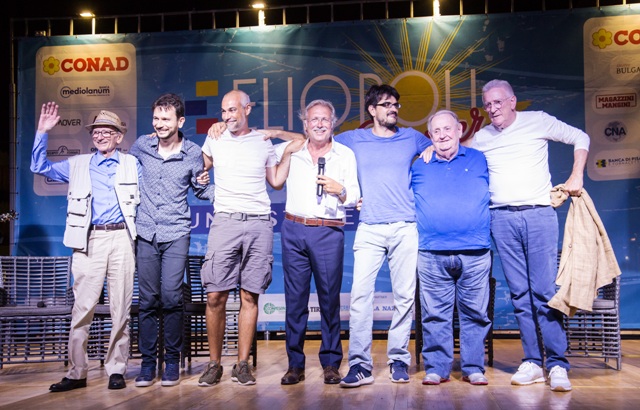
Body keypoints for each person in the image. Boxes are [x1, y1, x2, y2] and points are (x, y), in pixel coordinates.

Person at [471, 79, 590, 392]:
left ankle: (558, 363)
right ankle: (533, 362)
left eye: (498, 102)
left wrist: (576, 174)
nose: (492, 109)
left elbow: (581, 137)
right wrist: (432, 147)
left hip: (538, 215)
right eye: (487, 104)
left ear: (512, 101)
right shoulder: (483, 137)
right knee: (520, 294)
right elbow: (456, 149)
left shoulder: (537, 120)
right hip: (501, 218)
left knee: (543, 292)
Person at [31, 103, 140, 392]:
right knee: (82, 309)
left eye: (107, 131)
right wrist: (42, 131)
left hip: (122, 238)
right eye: (96, 132)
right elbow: (39, 167)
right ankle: (77, 372)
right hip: (88, 240)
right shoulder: (78, 164)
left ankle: (116, 369)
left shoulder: (132, 163)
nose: (100, 136)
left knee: (120, 308)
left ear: (119, 137)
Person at [197, 90, 287, 387]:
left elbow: (276, 181)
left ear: (248, 109)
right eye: (223, 111)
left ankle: (242, 364)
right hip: (225, 221)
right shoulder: (215, 138)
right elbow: (198, 168)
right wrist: (200, 174)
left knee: (250, 295)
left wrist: (282, 142)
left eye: (233, 110)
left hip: (259, 222)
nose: (227, 116)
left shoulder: (263, 141)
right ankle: (214, 365)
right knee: (215, 296)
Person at [128, 93, 211, 387]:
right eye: (156, 118)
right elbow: (126, 175)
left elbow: (200, 190)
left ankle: (172, 362)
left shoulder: (193, 152)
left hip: (176, 232)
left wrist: (217, 187)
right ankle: (148, 364)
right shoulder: (141, 145)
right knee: (148, 300)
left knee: (173, 297)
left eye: (166, 119)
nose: (160, 124)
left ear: (180, 121)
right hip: (145, 232)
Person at [274, 100, 360, 385]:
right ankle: (295, 365)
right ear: (305, 124)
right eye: (314, 120)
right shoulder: (292, 151)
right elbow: (260, 147)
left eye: (325, 119)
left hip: (327, 232)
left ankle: (331, 363)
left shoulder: (344, 154)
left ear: (333, 124)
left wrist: (340, 189)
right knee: (295, 301)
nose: (320, 124)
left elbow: (354, 195)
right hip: (293, 229)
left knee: (329, 300)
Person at [411, 110, 492, 386]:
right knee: (435, 315)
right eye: (436, 131)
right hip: (431, 253)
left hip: (475, 252)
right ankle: (437, 368)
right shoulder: (419, 166)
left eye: (447, 129)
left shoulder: (480, 159)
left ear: (459, 130)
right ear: (430, 136)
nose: (443, 135)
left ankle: (473, 368)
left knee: (475, 314)